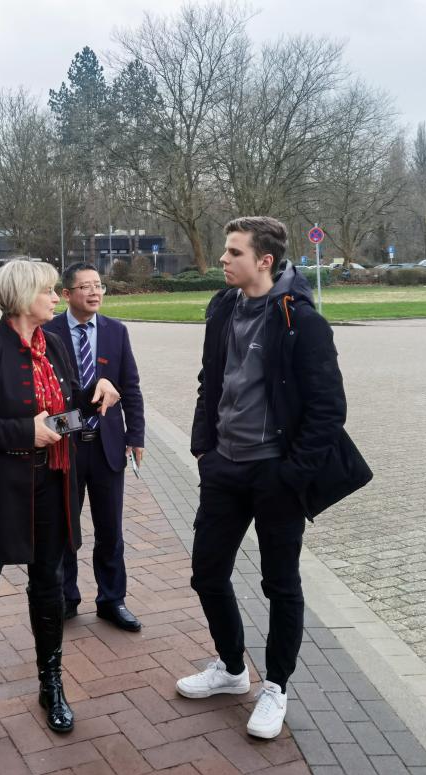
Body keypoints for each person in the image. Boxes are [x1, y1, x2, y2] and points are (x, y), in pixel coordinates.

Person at [177, 216, 364, 740]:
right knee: (206, 572)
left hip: (275, 474)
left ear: (264, 260)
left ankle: (276, 686)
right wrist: (203, 449)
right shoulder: (222, 308)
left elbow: (328, 410)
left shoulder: (301, 321)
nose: (223, 259)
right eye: (225, 250)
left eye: (234, 252)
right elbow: (209, 381)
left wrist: (291, 474)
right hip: (224, 467)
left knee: (280, 584)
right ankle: (232, 668)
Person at [0, 259, 120, 742]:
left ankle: (51, 683)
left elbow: (66, 413)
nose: (57, 298)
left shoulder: (55, 345)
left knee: (49, 583)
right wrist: (25, 432)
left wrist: (95, 393)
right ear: (24, 297)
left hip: (52, 482)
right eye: (49, 291)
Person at [44, 262, 145, 631]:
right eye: (85, 286)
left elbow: (130, 387)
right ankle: (65, 598)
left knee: (110, 530)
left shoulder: (116, 331)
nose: (94, 292)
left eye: (98, 285)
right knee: (65, 528)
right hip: (64, 445)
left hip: (107, 446)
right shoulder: (48, 332)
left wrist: (135, 436)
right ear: (67, 294)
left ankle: (112, 600)